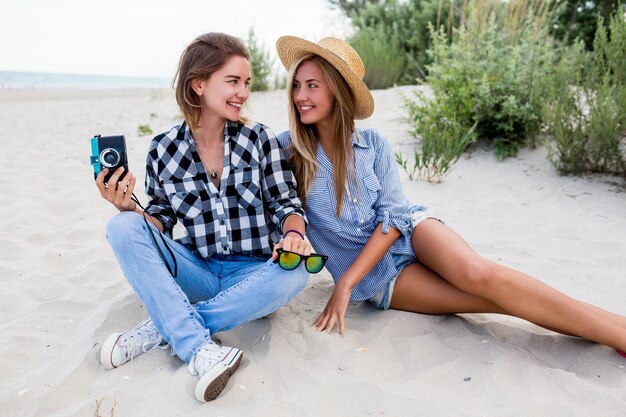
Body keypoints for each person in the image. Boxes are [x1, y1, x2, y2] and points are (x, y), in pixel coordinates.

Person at [273, 35, 626, 357]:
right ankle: (614, 329)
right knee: (493, 301)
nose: (300, 96)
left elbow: (394, 217)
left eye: (313, 86)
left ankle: (619, 334)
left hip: (412, 231)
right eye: (298, 86)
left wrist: (344, 285)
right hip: (380, 279)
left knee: (482, 275)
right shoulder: (288, 152)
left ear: (337, 91)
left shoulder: (373, 144)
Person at [95, 32, 314, 402]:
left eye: (246, 83)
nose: (243, 93)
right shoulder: (163, 148)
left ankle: (168, 328)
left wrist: (294, 234)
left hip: (253, 274)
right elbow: (161, 217)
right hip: (194, 270)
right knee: (121, 226)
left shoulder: (259, 139)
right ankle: (193, 337)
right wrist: (130, 210)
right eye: (232, 81)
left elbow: (286, 204)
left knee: (297, 270)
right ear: (198, 84)